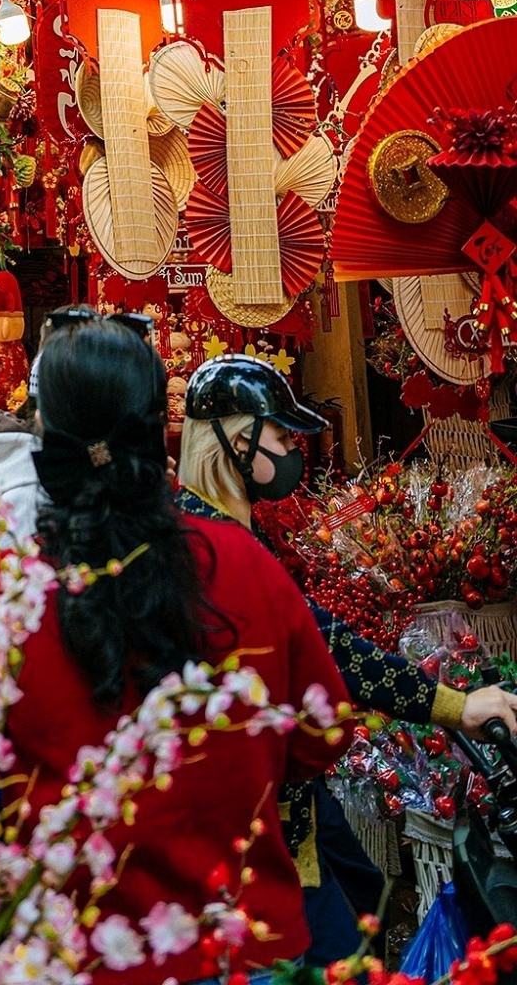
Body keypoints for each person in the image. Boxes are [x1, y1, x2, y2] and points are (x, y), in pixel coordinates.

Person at [0, 318, 352, 985]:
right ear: (156, 421)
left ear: (42, 435)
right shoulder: (242, 561)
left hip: (89, 954)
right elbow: (323, 735)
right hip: (247, 943)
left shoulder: (3, 601)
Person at [180, 355, 517, 963]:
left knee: (360, 900)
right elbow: (329, 644)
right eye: (281, 437)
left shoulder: (216, 531)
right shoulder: (214, 547)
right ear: (238, 441)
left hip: (284, 800)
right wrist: (455, 705)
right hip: (251, 821)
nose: (293, 453)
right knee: (338, 945)